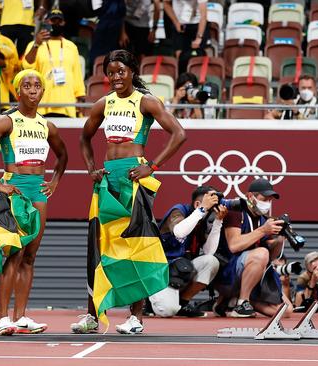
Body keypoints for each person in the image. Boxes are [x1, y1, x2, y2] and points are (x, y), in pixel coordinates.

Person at [73, 49, 186, 335]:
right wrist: (91, 169)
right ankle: (92, 315)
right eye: (110, 73)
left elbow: (179, 133)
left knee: (135, 247)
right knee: (99, 247)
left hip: (134, 179)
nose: (115, 77)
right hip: (108, 180)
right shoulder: (103, 103)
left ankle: (135, 317)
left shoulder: (146, 101)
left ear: (132, 72)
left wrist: (153, 166)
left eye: (120, 71)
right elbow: (84, 138)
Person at [0, 69, 68, 335]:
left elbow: (63, 156)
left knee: (30, 256)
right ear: (18, 91)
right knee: (14, 254)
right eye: (27, 85)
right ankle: (3, 318)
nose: (33, 89)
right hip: (15, 189)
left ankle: (22, 316)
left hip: (38, 190)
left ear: (43, 91)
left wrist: (55, 182)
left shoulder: (47, 125)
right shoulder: (6, 121)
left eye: (37, 85)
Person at [214, 178, 291, 318]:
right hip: (226, 271)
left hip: (251, 273)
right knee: (261, 253)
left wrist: (280, 239)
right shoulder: (236, 211)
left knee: (286, 310)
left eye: (270, 200)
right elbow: (234, 245)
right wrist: (263, 231)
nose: (267, 203)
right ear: (250, 196)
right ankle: (241, 303)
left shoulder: (263, 219)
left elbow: (271, 256)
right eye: (264, 198)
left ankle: (237, 301)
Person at [150, 185, 227, 317]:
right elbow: (179, 232)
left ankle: (183, 302)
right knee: (168, 311)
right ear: (198, 203)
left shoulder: (201, 221)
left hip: (179, 272)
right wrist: (202, 210)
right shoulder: (179, 211)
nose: (213, 209)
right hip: (159, 271)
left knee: (211, 261)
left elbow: (209, 252)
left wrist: (218, 222)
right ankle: (149, 299)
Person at [22, 9, 85, 118]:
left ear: (64, 23)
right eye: (53, 20)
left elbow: (77, 75)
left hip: (67, 104)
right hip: (42, 104)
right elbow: (27, 65)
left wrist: (80, 96)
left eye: (59, 21)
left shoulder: (71, 46)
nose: (56, 23)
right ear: (46, 22)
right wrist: (36, 44)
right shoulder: (34, 44)